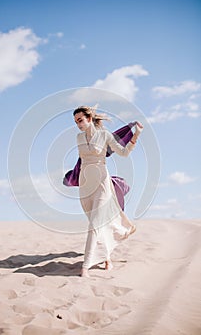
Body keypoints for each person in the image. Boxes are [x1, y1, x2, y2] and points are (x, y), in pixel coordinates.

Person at [73, 106, 143, 277]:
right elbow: (81, 161)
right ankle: (107, 259)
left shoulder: (105, 135)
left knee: (94, 224)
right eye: (76, 122)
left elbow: (124, 153)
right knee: (97, 223)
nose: (78, 124)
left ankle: (85, 267)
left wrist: (136, 135)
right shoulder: (79, 137)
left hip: (102, 184)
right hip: (85, 184)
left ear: (89, 118)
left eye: (80, 120)